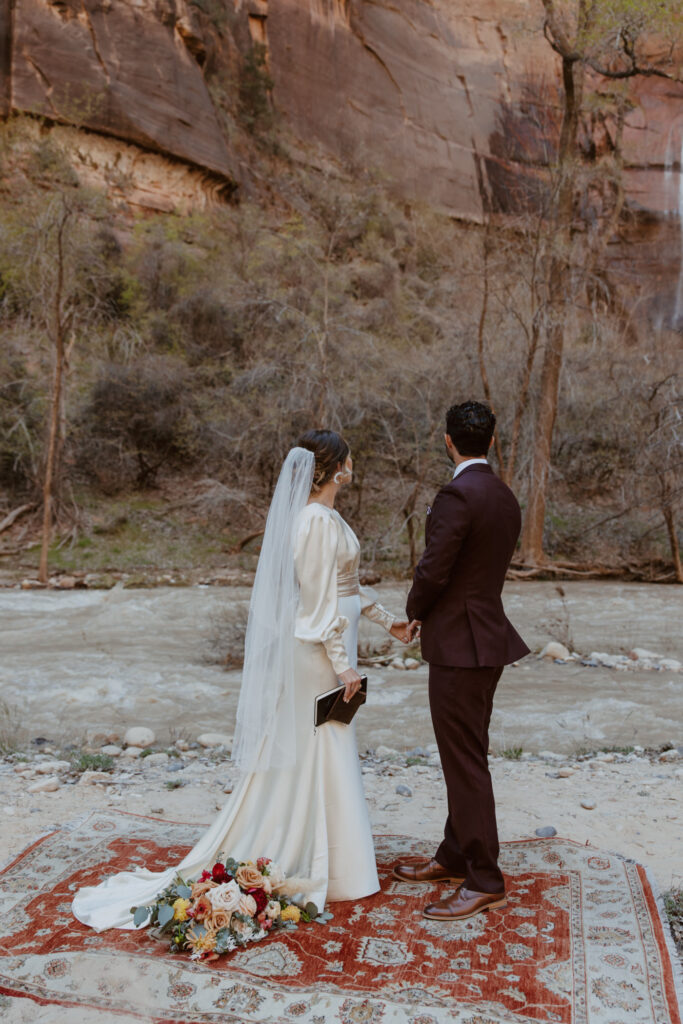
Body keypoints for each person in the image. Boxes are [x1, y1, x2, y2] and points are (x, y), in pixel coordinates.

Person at [73, 430, 411, 931]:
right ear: (335, 466)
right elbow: (316, 608)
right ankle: (319, 861)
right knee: (323, 741)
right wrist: (342, 664)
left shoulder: (331, 516)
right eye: (349, 456)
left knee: (331, 745)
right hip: (318, 652)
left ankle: (337, 863)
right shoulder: (314, 521)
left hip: (335, 641)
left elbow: (349, 589)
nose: (355, 462)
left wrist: (390, 622)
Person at [394, 401, 529, 921]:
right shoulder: (503, 494)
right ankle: (454, 855)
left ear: (447, 441)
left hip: (458, 643)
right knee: (466, 753)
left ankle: (484, 877)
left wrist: (413, 612)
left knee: (465, 760)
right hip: (485, 640)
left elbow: (434, 568)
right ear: (491, 442)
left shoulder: (456, 494)